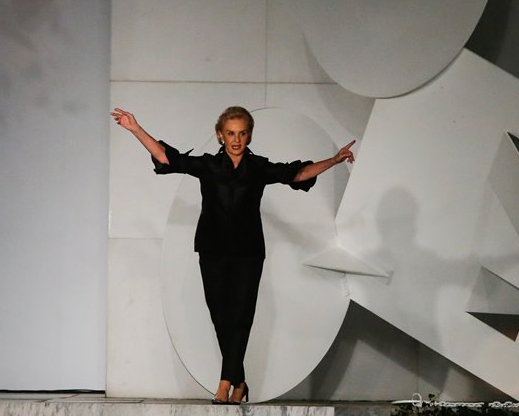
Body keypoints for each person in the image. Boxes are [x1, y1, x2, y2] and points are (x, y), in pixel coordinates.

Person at [111, 106, 355, 404]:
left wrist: (335, 159)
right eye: (230, 133)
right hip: (212, 250)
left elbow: (298, 173)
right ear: (220, 135)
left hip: (248, 252)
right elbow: (166, 158)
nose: (236, 139)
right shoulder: (208, 166)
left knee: (241, 315)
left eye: (241, 133)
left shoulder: (259, 168)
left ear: (249, 135)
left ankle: (226, 382)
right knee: (220, 315)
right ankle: (239, 382)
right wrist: (135, 128)